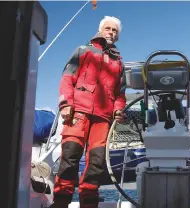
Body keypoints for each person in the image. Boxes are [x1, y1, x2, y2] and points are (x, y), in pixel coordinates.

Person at [49, 16, 126, 208]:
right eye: (108, 28)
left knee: (97, 163)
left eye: (115, 30)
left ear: (117, 36)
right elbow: (67, 78)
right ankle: (60, 202)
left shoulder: (118, 63)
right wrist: (65, 104)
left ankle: (89, 204)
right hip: (78, 113)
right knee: (70, 156)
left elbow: (120, 93)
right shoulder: (82, 51)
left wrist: (118, 110)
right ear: (100, 30)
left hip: (103, 118)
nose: (111, 32)